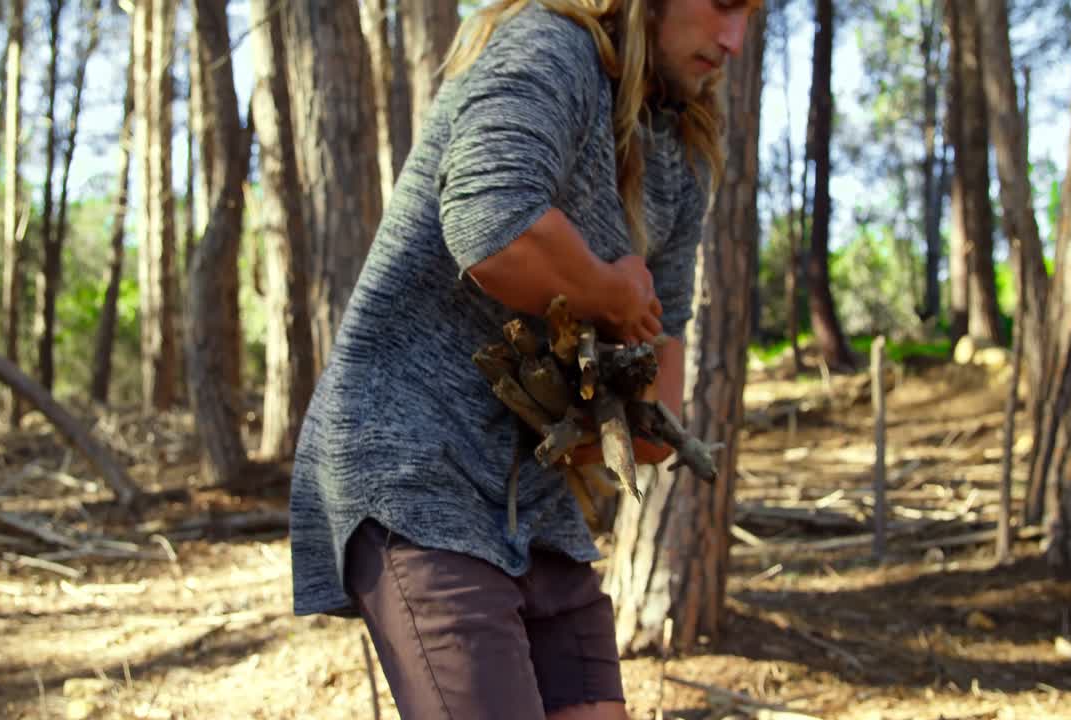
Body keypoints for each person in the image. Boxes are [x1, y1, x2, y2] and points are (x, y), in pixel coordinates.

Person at [289, 1, 757, 718]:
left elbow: (657, 420)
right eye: (724, 3)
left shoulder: (682, 155)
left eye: (752, 16)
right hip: (413, 457)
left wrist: (630, 394)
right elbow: (492, 222)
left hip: (531, 499)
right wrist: (610, 296)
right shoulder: (551, 46)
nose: (734, 39)